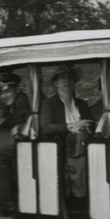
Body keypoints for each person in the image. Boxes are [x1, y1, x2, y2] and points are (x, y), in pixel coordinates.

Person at [40, 67, 96, 204]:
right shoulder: (50, 104)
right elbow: (46, 128)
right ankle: (79, 199)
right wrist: (68, 126)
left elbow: (91, 124)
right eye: (62, 78)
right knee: (81, 163)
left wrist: (86, 126)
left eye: (69, 77)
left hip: (82, 145)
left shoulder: (81, 104)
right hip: (61, 147)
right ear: (56, 83)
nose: (67, 81)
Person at [0, 73, 32, 212]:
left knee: (3, 154)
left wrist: (19, 128)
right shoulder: (16, 102)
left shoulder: (21, 101)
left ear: (16, 89)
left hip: (34, 143)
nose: (5, 95)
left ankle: (4, 199)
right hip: (27, 143)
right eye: (2, 92)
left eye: (8, 90)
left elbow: (32, 120)